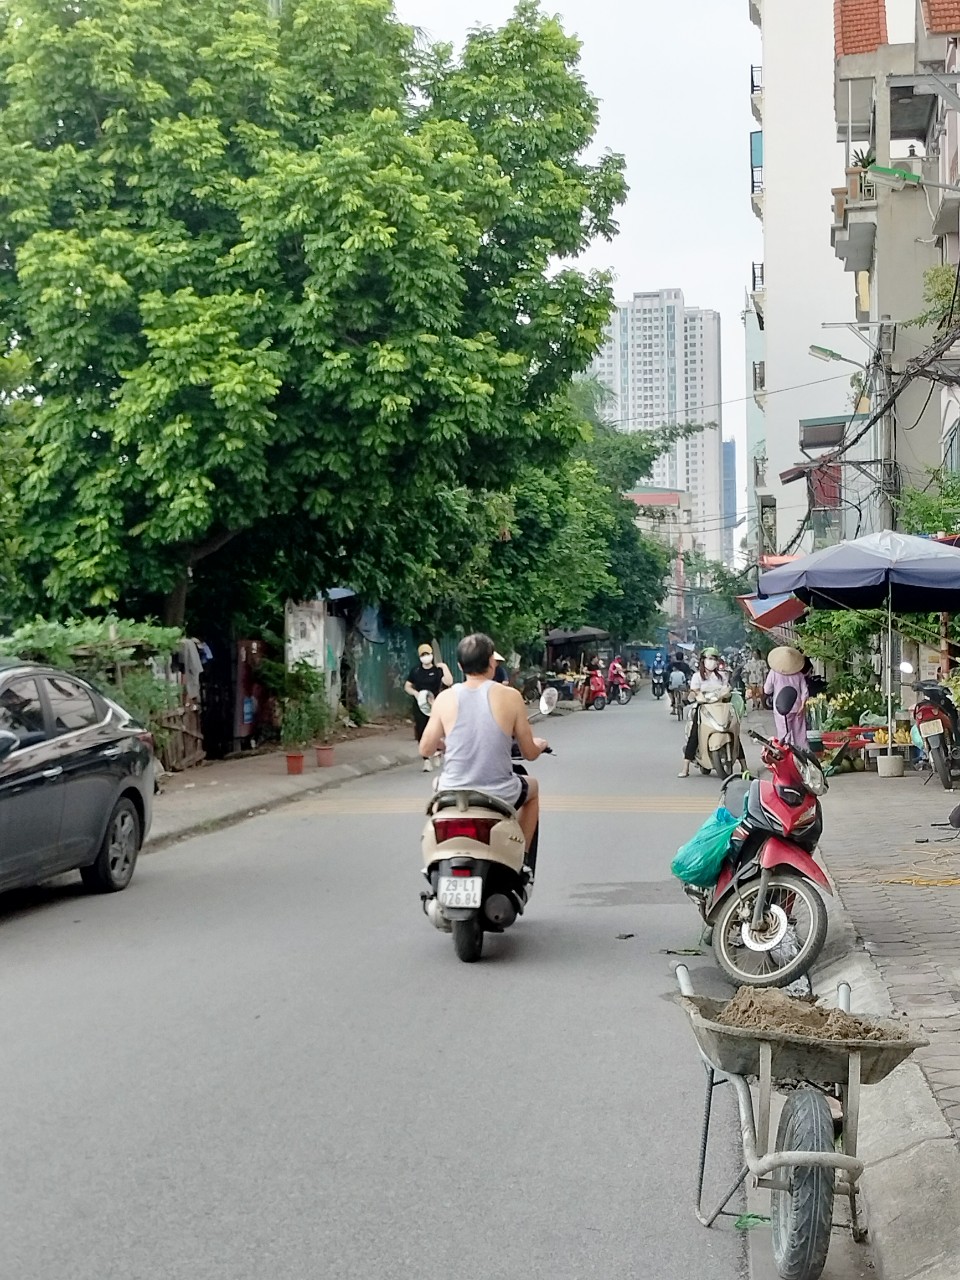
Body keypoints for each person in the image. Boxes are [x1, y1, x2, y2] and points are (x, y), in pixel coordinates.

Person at [419, 633, 548, 857]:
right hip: (500, 793)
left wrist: (445, 744)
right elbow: (529, 752)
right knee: (533, 788)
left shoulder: (444, 698)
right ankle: (523, 857)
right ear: (491, 662)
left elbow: (425, 749)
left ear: (460, 666)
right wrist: (540, 744)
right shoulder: (511, 696)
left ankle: (440, 847)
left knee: (436, 783)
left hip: (452, 791)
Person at [678, 647, 727, 777]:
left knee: (731, 729)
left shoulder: (722, 676)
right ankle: (685, 768)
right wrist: (698, 696)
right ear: (703, 661)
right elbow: (695, 690)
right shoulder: (697, 676)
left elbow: (726, 690)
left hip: (719, 707)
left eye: (714, 659)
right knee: (694, 734)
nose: (712, 661)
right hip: (703, 708)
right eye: (709, 658)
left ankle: (744, 766)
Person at [404, 643, 454, 771]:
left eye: (427, 654)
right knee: (421, 730)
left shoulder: (437, 670)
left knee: (436, 730)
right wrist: (415, 693)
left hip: (435, 705)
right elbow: (407, 686)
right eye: (423, 655)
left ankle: (437, 751)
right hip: (421, 706)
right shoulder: (416, 671)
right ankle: (426, 760)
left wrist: (444, 667)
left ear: (432, 655)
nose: (425, 657)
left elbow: (449, 682)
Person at [764, 646, 809, 749]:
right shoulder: (799, 674)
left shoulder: (774, 673)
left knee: (784, 735)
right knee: (800, 736)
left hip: (781, 708)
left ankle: (786, 754)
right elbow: (805, 692)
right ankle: (804, 756)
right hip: (797, 707)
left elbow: (767, 690)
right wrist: (802, 706)